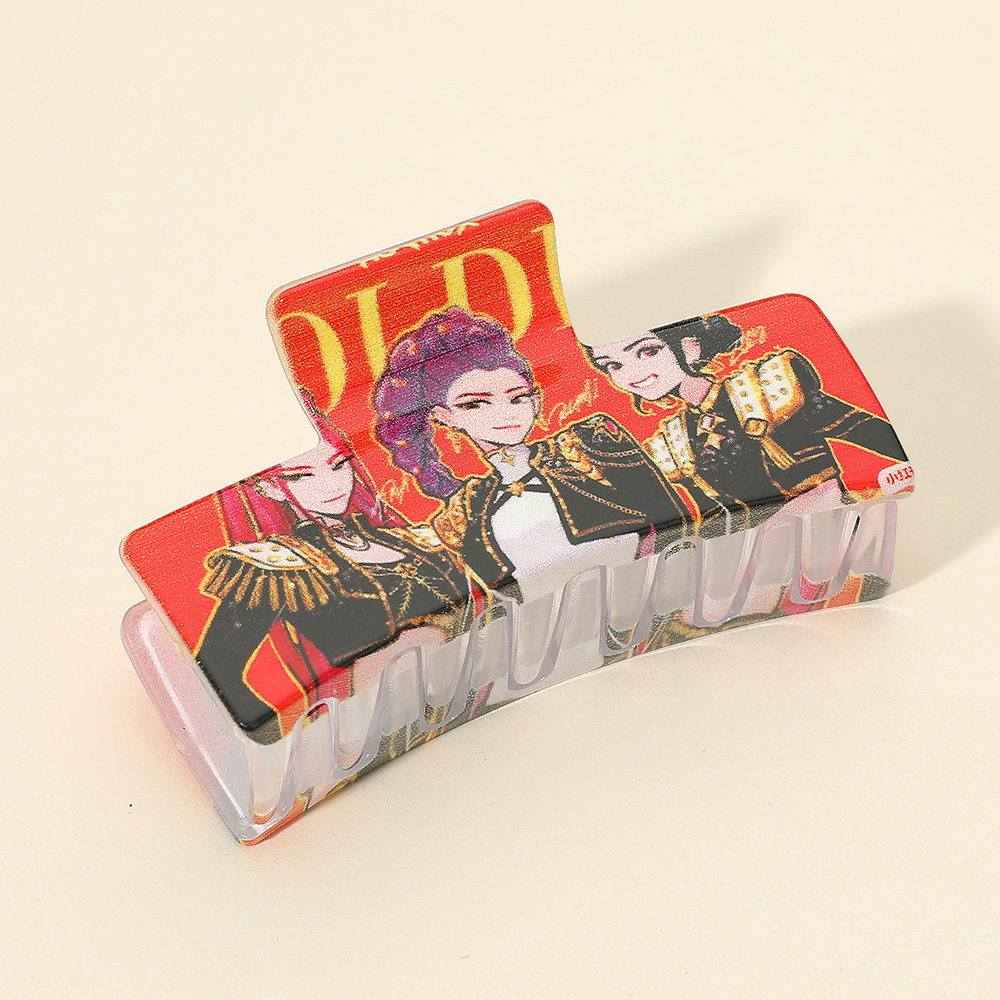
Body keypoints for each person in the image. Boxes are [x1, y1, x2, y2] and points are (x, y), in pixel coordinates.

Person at [372, 306, 712, 603]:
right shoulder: (464, 511)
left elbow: (677, 521)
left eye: (517, 397)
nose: (505, 413)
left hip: (657, 600)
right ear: (445, 416)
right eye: (475, 404)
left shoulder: (591, 442)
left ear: (535, 400)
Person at [195, 401, 473, 742]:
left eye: (339, 465)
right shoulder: (278, 566)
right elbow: (216, 668)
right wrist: (282, 743)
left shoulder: (414, 539)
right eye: (302, 476)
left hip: (465, 706)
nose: (331, 485)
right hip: (369, 732)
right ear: (269, 488)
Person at [585, 313, 909, 520]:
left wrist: (902, 475)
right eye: (612, 365)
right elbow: (704, 516)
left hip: (828, 527)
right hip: (755, 557)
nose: (630, 374)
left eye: (647, 351)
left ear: (690, 347)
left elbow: (863, 429)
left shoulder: (765, 391)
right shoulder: (674, 438)